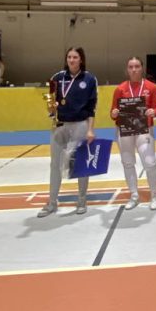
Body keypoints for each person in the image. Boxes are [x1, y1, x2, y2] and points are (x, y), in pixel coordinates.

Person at [38, 47, 97, 217]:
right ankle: (52, 202)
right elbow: (51, 103)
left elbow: (92, 108)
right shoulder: (57, 77)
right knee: (55, 164)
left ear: (81, 59)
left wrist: (90, 130)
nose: (71, 60)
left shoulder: (89, 79)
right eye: (69, 57)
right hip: (60, 125)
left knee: (81, 163)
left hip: (80, 125)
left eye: (75, 57)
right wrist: (51, 108)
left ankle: (82, 200)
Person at [110, 56, 156, 211]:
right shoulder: (120, 89)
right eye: (131, 67)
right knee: (128, 163)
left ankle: (154, 196)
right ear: (127, 69)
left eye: (137, 66)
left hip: (144, 129)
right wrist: (114, 113)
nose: (134, 69)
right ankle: (134, 196)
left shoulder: (151, 87)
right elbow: (112, 112)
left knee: (150, 163)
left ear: (142, 68)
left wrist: (153, 112)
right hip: (125, 130)